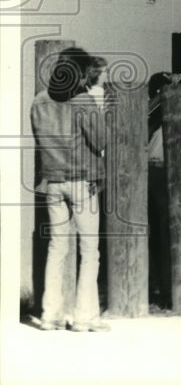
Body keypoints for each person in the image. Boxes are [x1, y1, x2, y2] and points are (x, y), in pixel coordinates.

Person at [31, 47, 110, 332]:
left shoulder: (39, 101)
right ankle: (84, 318)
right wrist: (98, 104)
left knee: (57, 248)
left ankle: (50, 315)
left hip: (52, 181)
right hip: (82, 182)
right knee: (90, 252)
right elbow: (101, 141)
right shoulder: (84, 101)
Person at [146, 71, 173, 306]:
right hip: (157, 170)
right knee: (161, 231)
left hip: (164, 170)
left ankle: (165, 286)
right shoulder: (153, 111)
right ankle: (163, 287)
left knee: (164, 231)